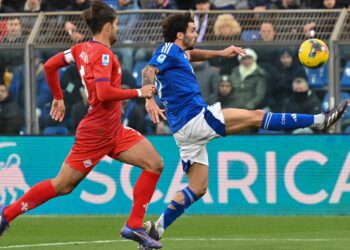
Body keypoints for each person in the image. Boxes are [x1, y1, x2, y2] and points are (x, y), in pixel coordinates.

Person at [139, 12, 349, 249]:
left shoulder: (178, 53)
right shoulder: (167, 49)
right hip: (195, 118)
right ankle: (321, 120)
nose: (196, 33)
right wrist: (149, 99)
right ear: (180, 35)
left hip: (183, 130)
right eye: (192, 30)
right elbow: (149, 69)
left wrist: (220, 52)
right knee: (256, 117)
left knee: (198, 187)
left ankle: (158, 228)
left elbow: (191, 54)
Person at [0, 1, 163, 249]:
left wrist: (58, 96)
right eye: (117, 25)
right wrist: (140, 91)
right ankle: (6, 215)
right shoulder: (104, 55)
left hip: (114, 129)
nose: (118, 29)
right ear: (108, 26)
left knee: (154, 164)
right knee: (62, 185)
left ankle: (134, 225)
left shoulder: (80, 49)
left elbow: (50, 65)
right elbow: (105, 92)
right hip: (97, 131)